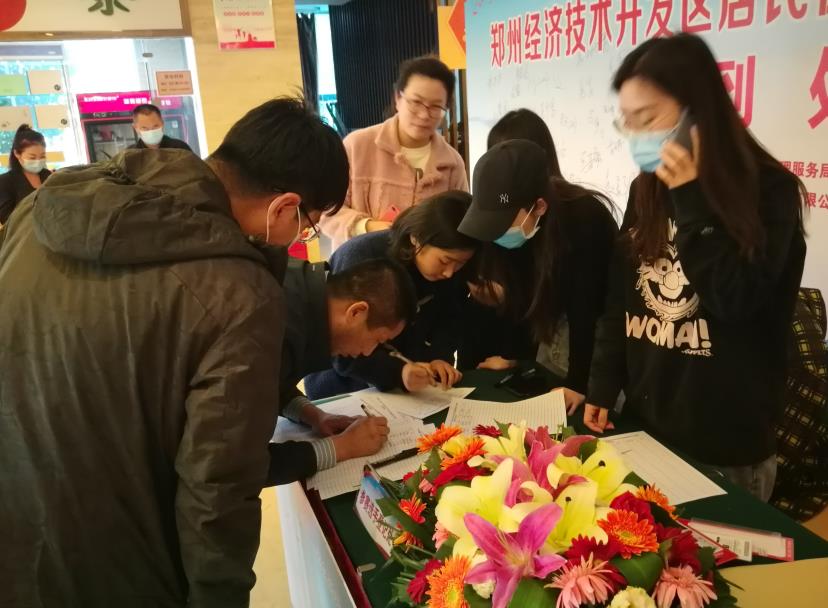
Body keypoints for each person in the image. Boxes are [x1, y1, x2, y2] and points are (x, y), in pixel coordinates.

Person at [0, 98, 349, 607]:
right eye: (309, 224)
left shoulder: (41, 208)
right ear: (284, 207)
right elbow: (218, 485)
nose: (302, 237)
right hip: (122, 562)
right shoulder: (240, 293)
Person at [583, 34, 807, 502]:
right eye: (628, 122)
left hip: (724, 443)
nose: (637, 136)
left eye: (648, 119)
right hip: (648, 425)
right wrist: (603, 384)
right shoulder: (647, 187)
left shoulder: (769, 190)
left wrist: (691, 197)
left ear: (698, 110)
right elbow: (620, 297)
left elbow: (735, 300)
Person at [457, 138, 618, 413]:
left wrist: (577, 383)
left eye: (502, 223)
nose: (495, 233)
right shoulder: (514, 227)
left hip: (596, 326)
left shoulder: (584, 219)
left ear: (539, 206)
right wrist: (513, 356)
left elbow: (585, 309)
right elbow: (522, 291)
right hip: (551, 320)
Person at [305, 190, 477, 399]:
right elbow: (341, 341)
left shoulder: (451, 274)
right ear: (416, 238)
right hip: (342, 388)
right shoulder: (363, 257)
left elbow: (450, 319)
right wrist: (397, 372)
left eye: (460, 263)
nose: (450, 272)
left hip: (409, 389)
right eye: (444, 260)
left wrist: (439, 358)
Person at [268, 257, 418, 485]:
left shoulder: (300, 299)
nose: (368, 352)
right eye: (377, 340)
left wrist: (315, 416)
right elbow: (234, 465)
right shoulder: (274, 323)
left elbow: (270, 383)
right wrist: (341, 447)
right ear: (356, 312)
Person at [319, 55, 469, 250]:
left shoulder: (451, 163)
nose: (424, 115)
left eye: (436, 107)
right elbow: (326, 210)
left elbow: (460, 221)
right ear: (398, 98)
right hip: (360, 263)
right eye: (416, 102)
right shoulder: (357, 147)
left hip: (422, 268)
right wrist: (368, 227)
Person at [0, 124, 52, 224]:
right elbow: (8, 221)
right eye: (32, 157)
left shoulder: (48, 176)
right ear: (17, 154)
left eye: (42, 156)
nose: (38, 161)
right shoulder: (5, 182)